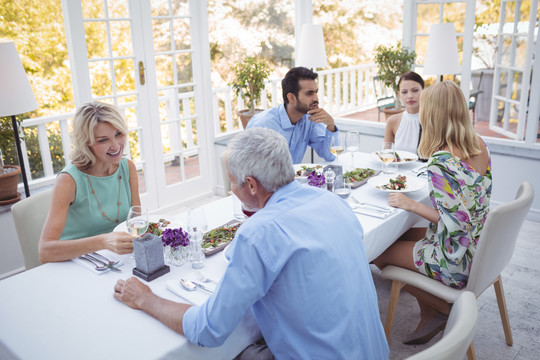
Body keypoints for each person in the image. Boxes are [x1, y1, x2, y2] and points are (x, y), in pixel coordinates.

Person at [113, 127, 389, 359]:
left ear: (251, 185)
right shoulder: (330, 200)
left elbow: (208, 330)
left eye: (232, 182)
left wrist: (146, 298)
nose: (232, 189)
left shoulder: (259, 233)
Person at [373, 81, 492, 344]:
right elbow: (467, 210)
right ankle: (430, 311)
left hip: (455, 258)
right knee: (394, 237)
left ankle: (440, 307)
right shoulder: (479, 144)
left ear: (432, 114)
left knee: (377, 250)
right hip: (478, 248)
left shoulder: (442, 161)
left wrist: (412, 205)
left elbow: (455, 225)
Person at [39, 101, 139, 263]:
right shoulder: (68, 180)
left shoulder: (128, 168)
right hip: (75, 263)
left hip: (117, 261)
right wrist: (102, 242)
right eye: (102, 140)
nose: (115, 146)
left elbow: (136, 224)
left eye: (118, 134)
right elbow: (44, 251)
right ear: (86, 143)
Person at [246, 66, 338, 164]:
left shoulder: (310, 119)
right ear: (291, 98)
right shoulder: (263, 125)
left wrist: (330, 126)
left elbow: (330, 156)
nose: (316, 98)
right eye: (309, 93)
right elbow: (249, 168)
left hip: (295, 179)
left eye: (316, 92)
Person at [384, 71, 424, 154]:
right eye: (404, 92)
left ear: (424, 91)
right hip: (397, 167)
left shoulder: (433, 120)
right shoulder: (392, 121)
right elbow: (386, 153)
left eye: (415, 90)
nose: (410, 96)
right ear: (399, 95)